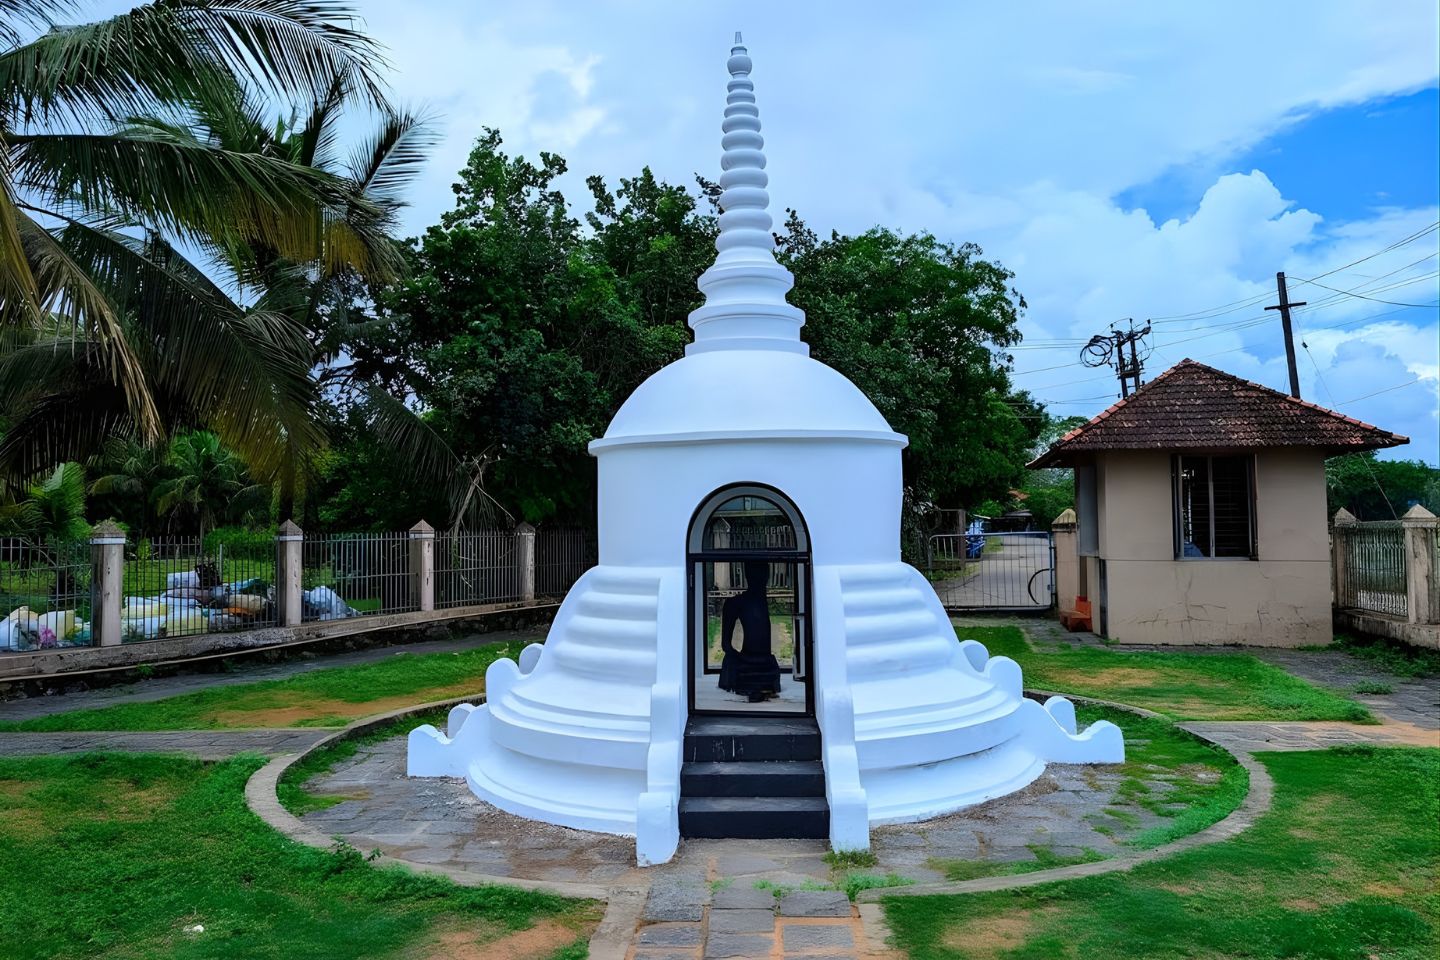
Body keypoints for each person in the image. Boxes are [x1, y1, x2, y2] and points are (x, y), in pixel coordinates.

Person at [718, 560, 782, 701]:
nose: (761, 579)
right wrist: (747, 660)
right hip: (748, 661)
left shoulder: (759, 601)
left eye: (764, 575)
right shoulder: (736, 603)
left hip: (760, 661)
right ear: (748, 576)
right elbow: (726, 645)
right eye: (756, 575)